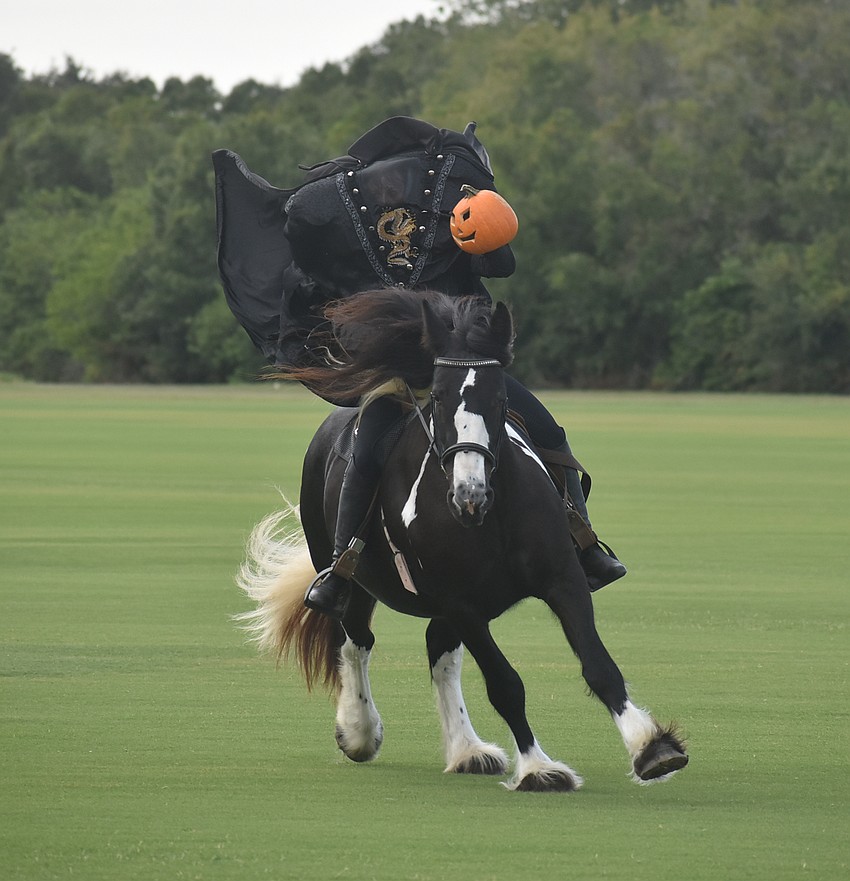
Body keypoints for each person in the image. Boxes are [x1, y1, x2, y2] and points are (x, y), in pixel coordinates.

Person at [213, 117, 626, 620]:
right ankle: (340, 568)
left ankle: (584, 545)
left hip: (469, 371)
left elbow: (502, 265)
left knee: (547, 432)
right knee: (363, 455)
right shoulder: (345, 219)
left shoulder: (452, 204)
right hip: (402, 378)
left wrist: (483, 228)